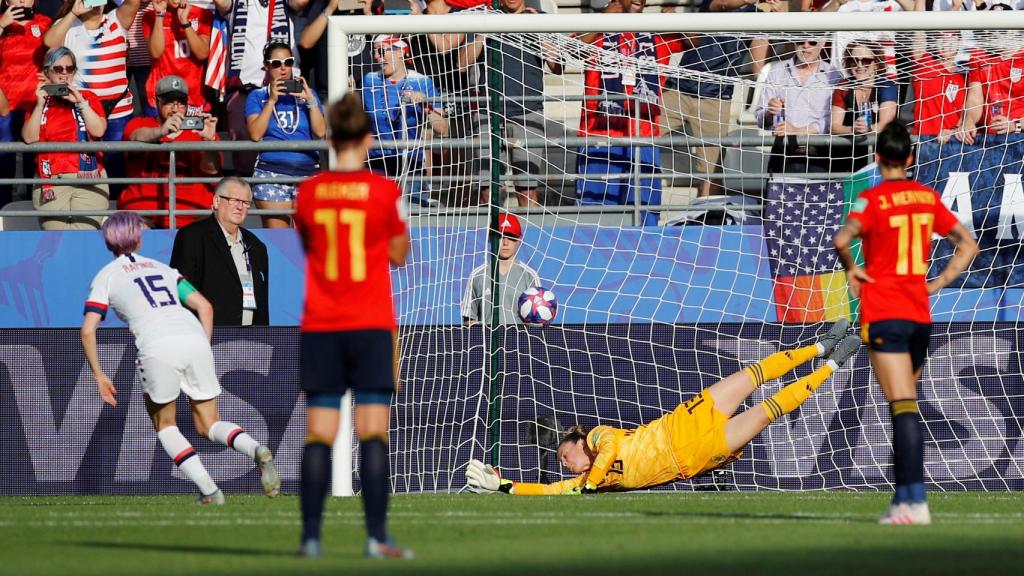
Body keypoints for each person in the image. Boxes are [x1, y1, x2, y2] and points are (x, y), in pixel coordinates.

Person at [466, 320, 862, 494]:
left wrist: (587, 484)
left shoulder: (598, 439)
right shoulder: (585, 484)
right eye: (566, 465)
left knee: (751, 374)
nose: (566, 464)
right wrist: (505, 486)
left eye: (565, 456)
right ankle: (833, 362)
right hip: (693, 455)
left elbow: (608, 451)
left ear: (575, 440)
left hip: (681, 422)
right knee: (767, 412)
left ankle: (818, 345)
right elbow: (550, 491)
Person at [833, 120, 978, 525]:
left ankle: (912, 502)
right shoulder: (927, 196)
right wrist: (940, 282)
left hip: (885, 311)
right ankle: (907, 501)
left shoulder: (871, 199)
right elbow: (968, 245)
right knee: (906, 404)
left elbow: (842, 240)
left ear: (878, 158)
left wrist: (851, 270)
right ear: (910, 158)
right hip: (919, 313)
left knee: (901, 406)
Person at [81, 211, 281, 504]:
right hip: (193, 338)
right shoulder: (164, 270)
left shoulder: (106, 276)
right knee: (208, 424)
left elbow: (88, 331)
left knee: (165, 425)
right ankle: (255, 450)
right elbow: (205, 306)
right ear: (138, 237)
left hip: (157, 346)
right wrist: (203, 345)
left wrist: (99, 375)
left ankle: (211, 492)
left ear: (108, 241)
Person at [293, 92, 412, 559]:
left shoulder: (307, 193)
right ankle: (377, 538)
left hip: (322, 322)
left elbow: (309, 247)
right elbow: (400, 255)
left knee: (320, 431)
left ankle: (310, 539)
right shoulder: (385, 192)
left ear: (329, 136)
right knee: (373, 431)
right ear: (365, 138)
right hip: (369, 322)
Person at [574, 0, 671, 226]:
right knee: (594, 218)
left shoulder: (656, 31)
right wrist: (604, 19)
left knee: (644, 217)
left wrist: (677, 19)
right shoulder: (596, 29)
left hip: (643, 138)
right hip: (599, 136)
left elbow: (694, 41)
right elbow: (572, 49)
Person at [46, 0, 141, 195]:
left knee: (118, 168)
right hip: (84, 110)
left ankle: (117, 218)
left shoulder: (116, 19)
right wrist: (73, 12)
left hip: (118, 111)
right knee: (86, 166)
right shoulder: (69, 26)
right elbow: (49, 43)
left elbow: (134, 2)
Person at [118, 75, 220, 229]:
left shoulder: (201, 129)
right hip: (143, 212)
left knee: (210, 230)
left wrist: (209, 141)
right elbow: (135, 137)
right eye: (168, 102)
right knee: (131, 229)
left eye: (181, 103)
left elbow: (212, 169)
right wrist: (161, 131)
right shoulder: (140, 124)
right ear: (155, 102)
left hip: (194, 214)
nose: (175, 109)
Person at [22, 46, 107, 230]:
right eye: (58, 69)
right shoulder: (39, 102)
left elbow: (99, 131)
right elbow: (29, 138)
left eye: (70, 69)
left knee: (83, 239)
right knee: (56, 241)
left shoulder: (88, 97)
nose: (64, 74)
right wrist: (39, 105)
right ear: (47, 72)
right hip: (51, 181)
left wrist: (80, 103)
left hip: (89, 180)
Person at [245, 41, 325, 228]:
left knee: (309, 240)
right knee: (280, 239)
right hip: (272, 173)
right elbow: (255, 134)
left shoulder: (308, 94)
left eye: (288, 62)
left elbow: (321, 132)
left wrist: (311, 101)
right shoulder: (257, 96)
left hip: (308, 173)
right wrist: (272, 100)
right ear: (265, 66)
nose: (283, 68)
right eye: (276, 63)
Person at [170, 177, 269, 326]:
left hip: (251, 340)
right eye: (234, 200)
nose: (240, 207)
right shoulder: (193, 236)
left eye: (245, 203)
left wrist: (264, 337)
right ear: (216, 202)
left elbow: (261, 302)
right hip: (208, 337)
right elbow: (180, 289)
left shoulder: (257, 246)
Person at [363, 34, 447, 206]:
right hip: (376, 162)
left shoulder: (422, 81)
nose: (377, 56)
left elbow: (443, 129)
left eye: (381, 50)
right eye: (374, 52)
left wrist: (426, 105)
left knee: (413, 222)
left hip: (411, 163)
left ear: (401, 52)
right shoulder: (369, 80)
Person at [225, 0, 299, 176]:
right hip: (245, 85)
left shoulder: (285, 3)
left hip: (284, 84)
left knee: (284, 137)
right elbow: (221, 4)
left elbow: (300, 3)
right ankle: (246, 195)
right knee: (244, 148)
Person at [754, 37, 842, 174]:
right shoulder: (776, 71)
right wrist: (770, 113)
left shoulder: (834, 75)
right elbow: (760, 120)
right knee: (775, 195)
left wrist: (799, 130)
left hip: (821, 150)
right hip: (783, 148)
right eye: (800, 41)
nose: (805, 46)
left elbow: (836, 120)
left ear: (823, 42)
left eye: (812, 42)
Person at [0, 0, 52, 206]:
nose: (22, 0)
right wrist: (2, 25)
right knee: (4, 162)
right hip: (6, 105)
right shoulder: (2, 24)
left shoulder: (46, 22)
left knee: (36, 161)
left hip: (36, 103)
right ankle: (3, 213)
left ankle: (34, 209)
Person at [461, 212, 540, 325]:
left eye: (511, 237)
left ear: (519, 240)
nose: (505, 242)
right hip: (487, 341)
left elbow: (538, 321)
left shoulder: (530, 276)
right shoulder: (477, 276)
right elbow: (469, 320)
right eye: (500, 236)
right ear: (490, 238)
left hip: (519, 341)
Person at [830, 41, 898, 171]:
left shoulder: (887, 86)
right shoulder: (843, 87)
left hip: (881, 157)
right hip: (848, 158)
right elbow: (834, 126)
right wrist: (853, 129)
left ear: (876, 64)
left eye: (866, 60)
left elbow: (885, 124)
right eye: (854, 60)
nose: (859, 65)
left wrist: (867, 129)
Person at [143, 0, 213, 115]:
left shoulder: (202, 14)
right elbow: (155, 52)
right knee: (162, 133)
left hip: (193, 99)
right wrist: (159, 15)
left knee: (193, 133)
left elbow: (202, 54)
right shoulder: (150, 16)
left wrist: (185, 22)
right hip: (161, 98)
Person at [909, 28, 966, 143]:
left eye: (951, 38)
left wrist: (952, 131)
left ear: (959, 42)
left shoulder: (965, 78)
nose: (946, 42)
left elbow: (967, 113)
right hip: (926, 140)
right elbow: (919, 29)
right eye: (942, 38)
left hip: (955, 142)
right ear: (935, 43)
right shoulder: (924, 66)